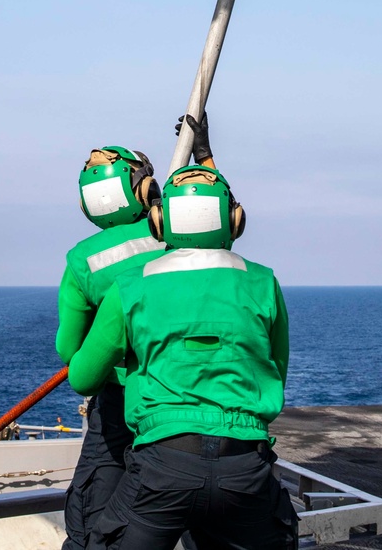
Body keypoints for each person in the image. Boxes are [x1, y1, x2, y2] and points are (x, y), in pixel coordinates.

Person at [67, 120, 296, 550]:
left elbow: (80, 375)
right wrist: (206, 157)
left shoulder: (130, 286)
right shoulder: (263, 282)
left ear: (158, 221)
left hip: (161, 464)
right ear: (235, 220)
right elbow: (276, 370)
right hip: (246, 466)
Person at [57, 145, 165, 550]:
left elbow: (69, 349)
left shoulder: (82, 260)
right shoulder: (172, 232)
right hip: (182, 397)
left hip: (118, 400)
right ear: (143, 190)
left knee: (92, 516)